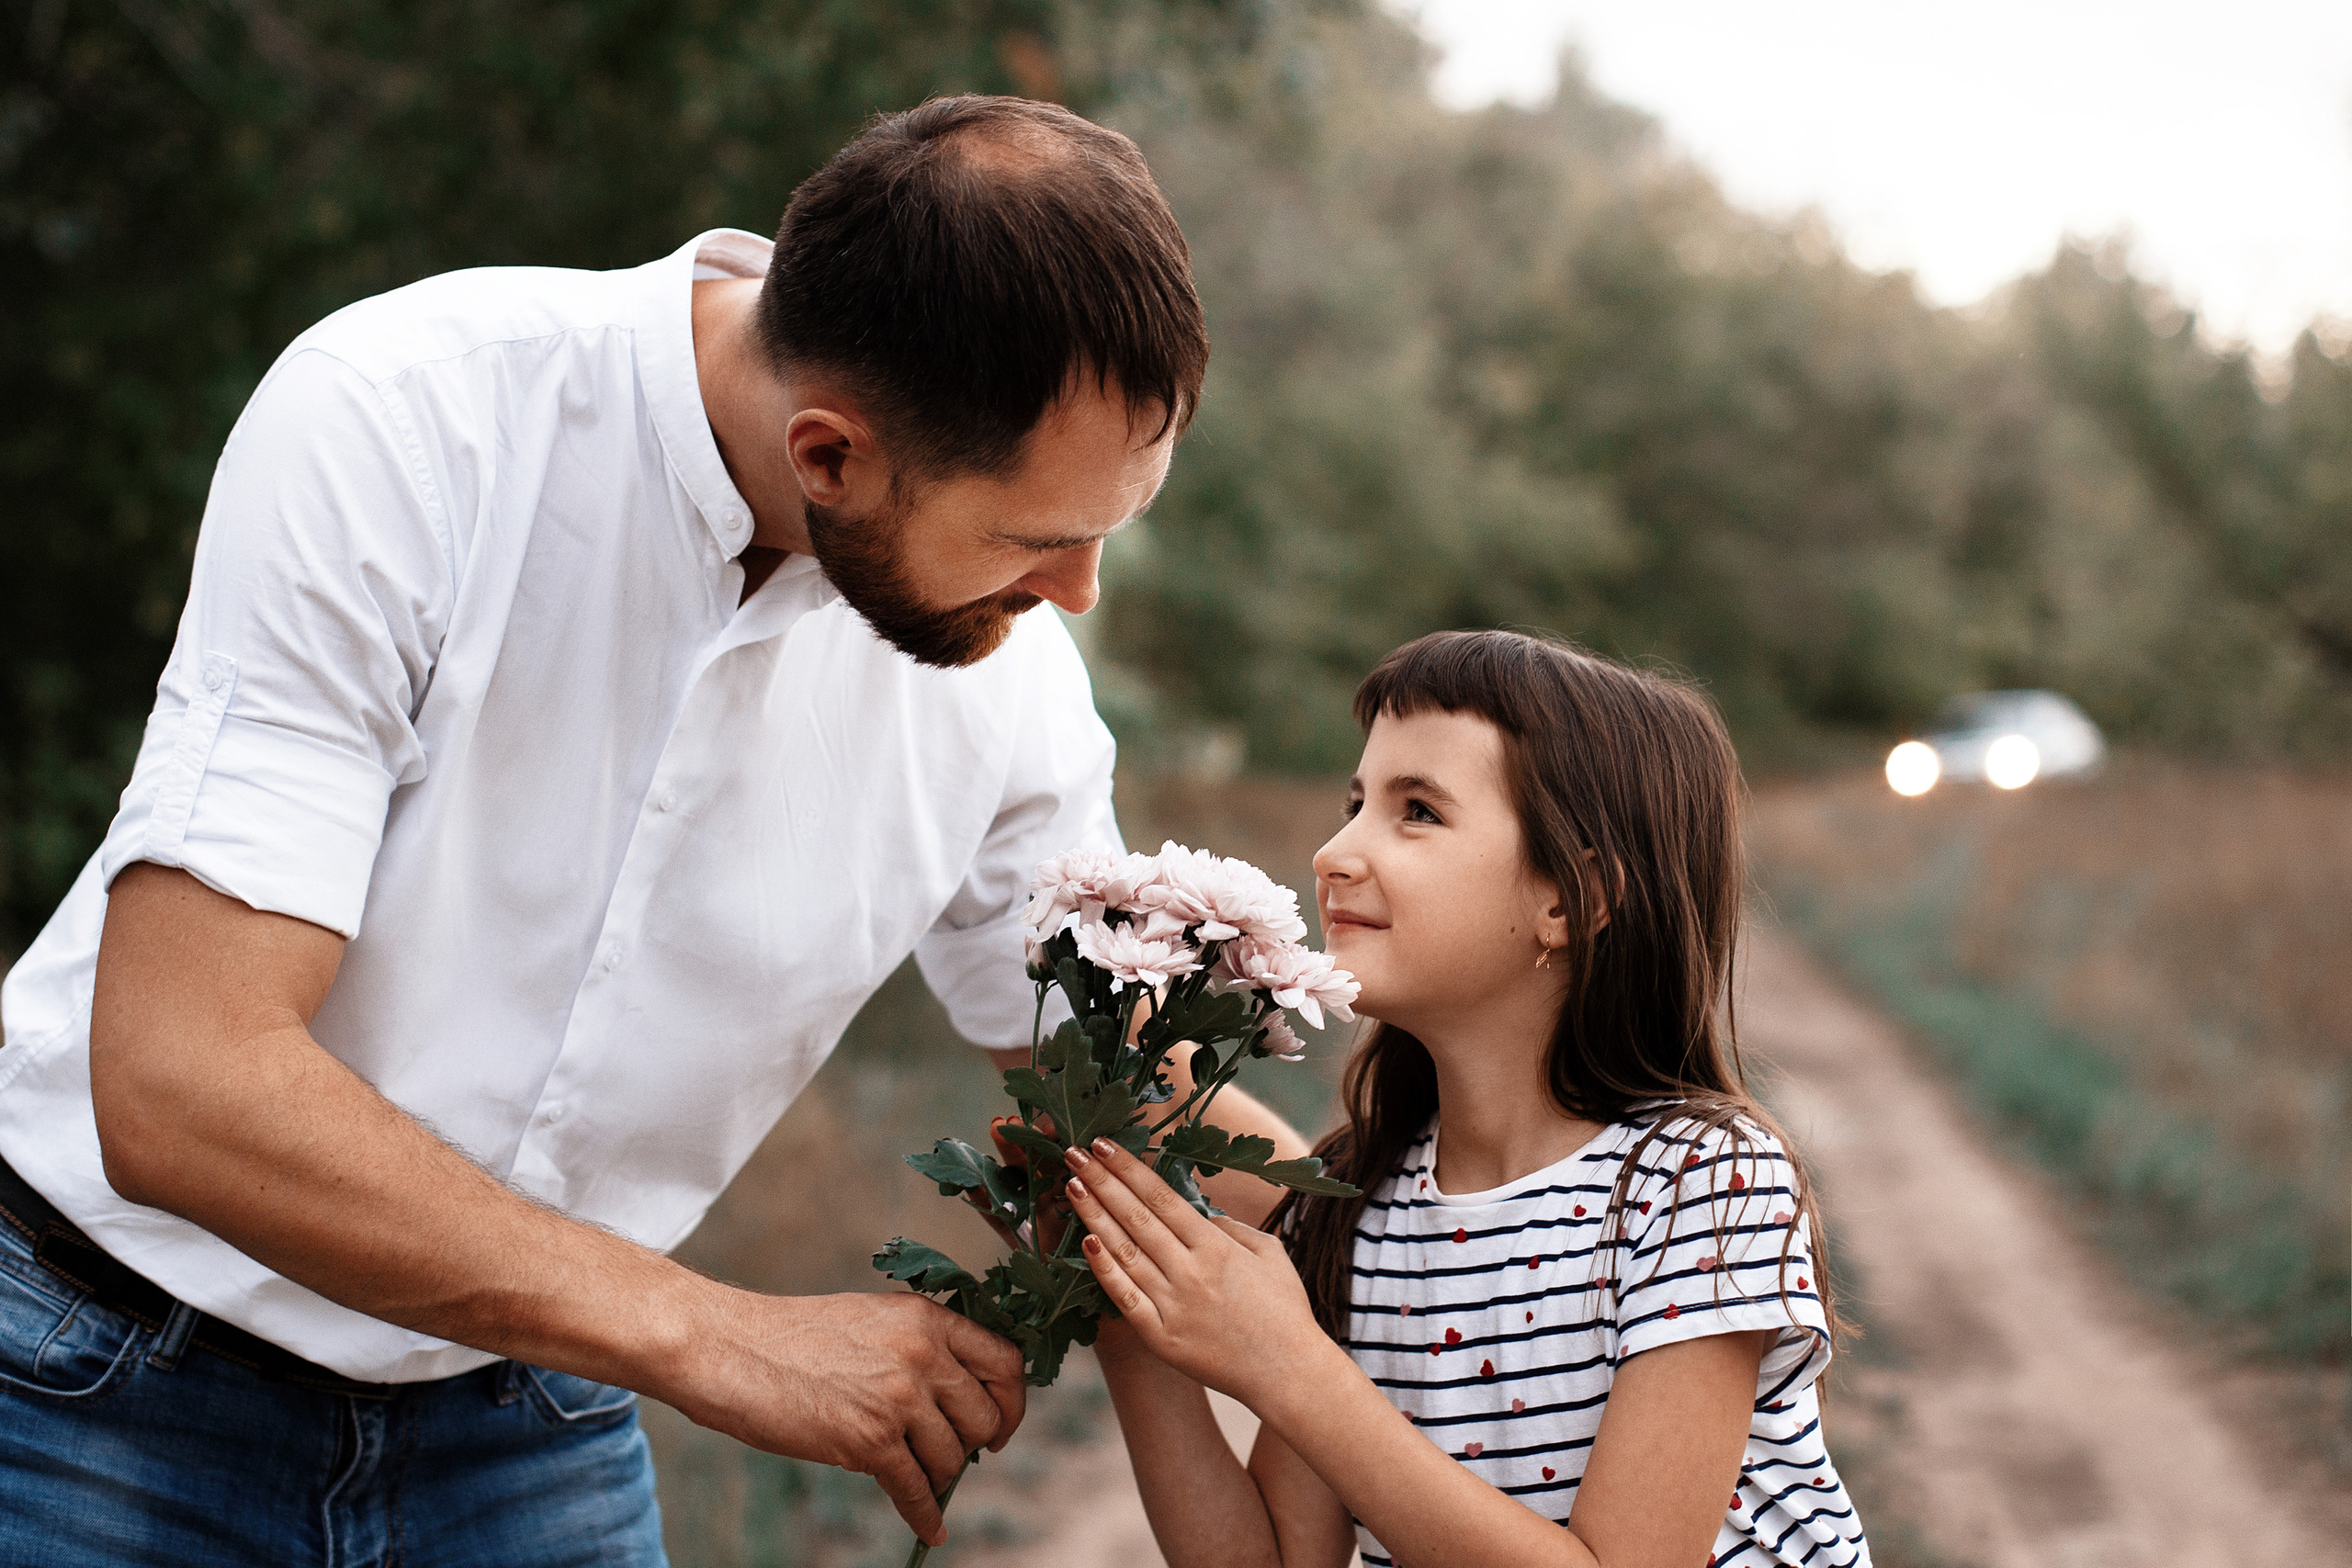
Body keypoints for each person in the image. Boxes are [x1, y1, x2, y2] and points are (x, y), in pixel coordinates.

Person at [0, 96, 1305, 1565]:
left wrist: (1500, 1208)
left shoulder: (1013, 687)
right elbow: (182, 1072)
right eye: (1034, 539)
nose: (1079, 593)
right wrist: (714, 1332)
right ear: (827, 456)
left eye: (1109, 525)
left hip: (521, 1421)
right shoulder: (403, 420)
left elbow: (1121, 1087)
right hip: (88, 1387)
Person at [1058, 629, 1871, 1568]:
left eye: (1417, 812)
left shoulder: (1695, 1181)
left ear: (1571, 900)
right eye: (1355, 802)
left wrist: (1290, 1367)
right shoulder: (1351, 1207)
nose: (1333, 852)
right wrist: (1121, 1312)